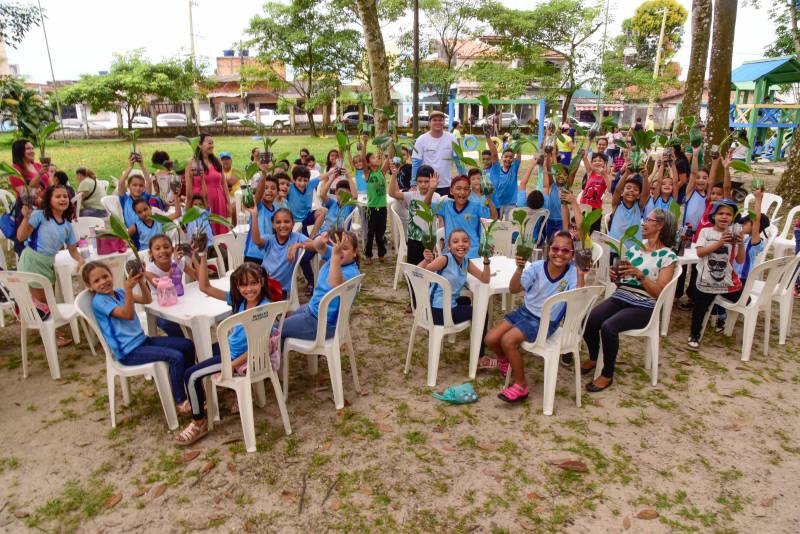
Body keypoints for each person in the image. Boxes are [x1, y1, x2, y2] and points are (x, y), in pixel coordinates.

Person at [175, 257, 280, 446]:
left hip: (235, 357)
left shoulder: (263, 309)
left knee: (190, 375)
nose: (249, 289)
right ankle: (202, 399)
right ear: (237, 287)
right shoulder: (239, 301)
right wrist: (202, 257)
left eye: (254, 283)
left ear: (262, 282)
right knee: (200, 357)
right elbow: (205, 288)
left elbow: (261, 347)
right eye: (244, 285)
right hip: (228, 350)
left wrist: (231, 365)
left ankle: (198, 422)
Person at [581, 208, 678, 391]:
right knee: (589, 319)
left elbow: (659, 293)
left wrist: (640, 275)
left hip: (645, 305)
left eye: (647, 220)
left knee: (609, 327)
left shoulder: (668, 256)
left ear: (659, 226)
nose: (643, 224)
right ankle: (595, 356)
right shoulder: (636, 248)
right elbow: (622, 282)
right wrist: (615, 276)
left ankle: (607, 374)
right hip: (623, 295)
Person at [84, 261, 195, 416]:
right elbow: (127, 315)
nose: (103, 282)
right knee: (176, 357)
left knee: (187, 345)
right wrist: (129, 289)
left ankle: (191, 386)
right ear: (89, 286)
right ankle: (181, 401)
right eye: (96, 281)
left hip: (143, 340)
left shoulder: (120, 292)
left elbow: (147, 300)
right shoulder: (100, 301)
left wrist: (141, 281)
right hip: (129, 352)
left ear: (111, 275)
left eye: (105, 276)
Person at [485, 231, 583, 402]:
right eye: (556, 248)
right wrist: (519, 268)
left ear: (572, 255)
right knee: (491, 339)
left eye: (566, 251)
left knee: (507, 341)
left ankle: (521, 384)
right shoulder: (537, 267)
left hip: (547, 321)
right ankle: (505, 360)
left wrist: (582, 274)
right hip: (525, 311)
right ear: (548, 249)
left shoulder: (573, 273)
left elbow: (578, 299)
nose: (560, 253)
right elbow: (514, 289)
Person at [16, 184, 84, 336]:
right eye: (58, 196)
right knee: (41, 302)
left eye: (65, 196)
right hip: (32, 261)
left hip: (48, 264)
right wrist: (26, 218)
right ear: (49, 199)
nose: (62, 199)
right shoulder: (39, 215)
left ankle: (47, 331)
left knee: (47, 301)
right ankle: (47, 334)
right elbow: (21, 237)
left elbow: (72, 249)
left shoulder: (67, 225)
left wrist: (80, 260)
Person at [419, 229, 490, 357]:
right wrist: (426, 260)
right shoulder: (445, 259)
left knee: (466, 301)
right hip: (437, 310)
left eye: (465, 241)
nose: (461, 244)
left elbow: (485, 278)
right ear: (449, 246)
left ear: (470, 244)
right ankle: (480, 357)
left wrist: (486, 258)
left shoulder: (466, 262)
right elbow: (419, 272)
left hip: (442, 305)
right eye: (455, 241)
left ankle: (471, 338)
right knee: (482, 313)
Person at [281, 232, 361, 342]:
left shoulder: (351, 272)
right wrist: (322, 238)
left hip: (323, 323)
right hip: (313, 310)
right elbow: (317, 246)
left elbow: (335, 283)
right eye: (336, 247)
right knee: (284, 321)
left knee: (276, 329)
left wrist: (335, 256)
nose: (339, 250)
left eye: (345, 248)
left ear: (355, 253)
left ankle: (272, 358)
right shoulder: (334, 255)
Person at [687, 199, 744, 348]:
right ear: (714, 216)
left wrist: (741, 243)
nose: (724, 217)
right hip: (707, 280)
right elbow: (700, 253)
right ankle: (694, 334)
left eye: (728, 214)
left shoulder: (734, 234)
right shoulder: (706, 232)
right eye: (721, 213)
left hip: (726, 281)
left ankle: (722, 319)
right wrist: (719, 243)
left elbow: (740, 259)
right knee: (700, 308)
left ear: (732, 218)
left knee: (747, 300)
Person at [423, 174, 497, 259]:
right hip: (452, 252)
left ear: (469, 192)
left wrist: (488, 196)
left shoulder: (476, 207)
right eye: (458, 188)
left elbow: (494, 217)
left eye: (466, 189)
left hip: (472, 252)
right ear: (451, 191)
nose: (462, 192)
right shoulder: (446, 205)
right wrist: (432, 189)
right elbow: (426, 205)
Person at [251, 207, 314, 299]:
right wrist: (254, 216)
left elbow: (315, 245)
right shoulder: (270, 239)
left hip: (281, 289)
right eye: (278, 222)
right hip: (263, 283)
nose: (283, 225)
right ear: (273, 225)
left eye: (287, 221)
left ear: (293, 224)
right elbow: (257, 240)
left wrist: (297, 245)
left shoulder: (296, 238)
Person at [143, 234, 197, 337]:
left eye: (166, 247)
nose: (162, 251)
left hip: (180, 302)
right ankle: (184, 345)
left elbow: (197, 276)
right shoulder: (149, 270)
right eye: (157, 248)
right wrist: (175, 263)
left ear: (172, 250)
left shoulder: (180, 262)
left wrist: (194, 257)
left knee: (197, 314)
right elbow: (165, 287)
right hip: (160, 308)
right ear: (151, 253)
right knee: (171, 327)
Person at [389, 165, 441, 266]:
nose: (423, 184)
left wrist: (432, 189)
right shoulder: (412, 195)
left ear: (432, 181)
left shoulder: (436, 197)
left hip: (428, 240)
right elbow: (392, 193)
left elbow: (427, 203)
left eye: (426, 181)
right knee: (413, 267)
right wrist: (394, 175)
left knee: (427, 268)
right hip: (413, 239)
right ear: (416, 182)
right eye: (420, 181)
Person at [184, 133, 230, 236]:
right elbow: (189, 190)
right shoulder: (191, 164)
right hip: (202, 202)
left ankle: (220, 251)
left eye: (212, 143)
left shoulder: (217, 161)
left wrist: (228, 203)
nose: (212, 145)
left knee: (220, 231)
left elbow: (224, 183)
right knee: (205, 232)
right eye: (209, 143)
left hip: (219, 200)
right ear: (199, 145)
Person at [411, 110, 464, 196]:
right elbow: (416, 163)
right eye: (434, 120)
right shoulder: (421, 139)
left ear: (444, 122)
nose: (438, 122)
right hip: (427, 186)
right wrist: (413, 184)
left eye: (440, 120)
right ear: (429, 123)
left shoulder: (452, 138)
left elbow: (459, 161)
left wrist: (463, 178)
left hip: (446, 185)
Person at [361, 133, 390, 264]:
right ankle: (368, 255)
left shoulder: (381, 172)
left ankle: (381, 254)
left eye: (376, 156)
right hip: (371, 208)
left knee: (381, 233)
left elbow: (389, 158)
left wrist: (389, 142)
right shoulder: (368, 174)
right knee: (370, 233)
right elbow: (362, 160)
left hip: (382, 206)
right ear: (368, 162)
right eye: (372, 157)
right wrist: (365, 144)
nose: (376, 158)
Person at [243, 165, 279, 265]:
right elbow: (258, 194)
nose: (269, 190)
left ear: (277, 192)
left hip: (269, 255)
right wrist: (264, 174)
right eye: (266, 188)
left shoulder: (278, 211)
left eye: (273, 188)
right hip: (253, 255)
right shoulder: (257, 206)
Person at [117, 155, 153, 248]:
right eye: (134, 185)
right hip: (132, 235)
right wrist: (130, 167)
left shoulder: (144, 198)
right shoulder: (125, 200)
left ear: (144, 188)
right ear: (129, 186)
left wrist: (142, 165)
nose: (138, 188)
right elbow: (121, 183)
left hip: (146, 234)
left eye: (141, 185)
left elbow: (149, 182)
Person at [609, 167, 648, 248]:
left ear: (639, 196)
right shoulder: (616, 205)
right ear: (622, 192)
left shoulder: (639, 207)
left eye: (635, 189)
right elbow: (617, 191)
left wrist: (645, 177)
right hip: (615, 247)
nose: (631, 190)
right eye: (628, 188)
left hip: (634, 250)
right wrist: (626, 173)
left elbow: (645, 194)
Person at [485, 128, 522, 210]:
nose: (508, 159)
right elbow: (494, 155)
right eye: (506, 157)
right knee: (499, 222)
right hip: (498, 202)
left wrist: (517, 140)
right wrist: (488, 137)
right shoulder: (497, 170)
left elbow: (519, 157)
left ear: (513, 159)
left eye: (511, 157)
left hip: (511, 203)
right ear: (501, 157)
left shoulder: (514, 168)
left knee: (510, 222)